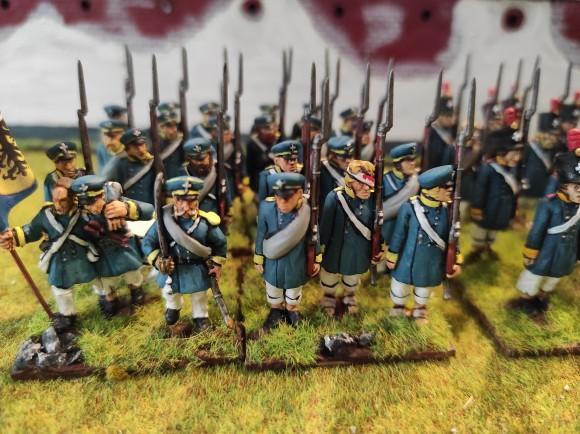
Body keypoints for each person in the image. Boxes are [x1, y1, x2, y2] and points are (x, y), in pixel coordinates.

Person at [0, 177, 98, 331]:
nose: (58, 205)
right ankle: (68, 316)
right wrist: (12, 236)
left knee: (100, 278)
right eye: (55, 200)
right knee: (60, 288)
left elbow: (97, 228)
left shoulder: (84, 213)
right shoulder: (46, 215)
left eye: (63, 200)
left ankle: (108, 298)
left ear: (72, 198)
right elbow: (31, 230)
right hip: (60, 260)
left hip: (83, 256)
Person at [142, 176, 228, 330]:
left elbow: (220, 243)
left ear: (197, 200)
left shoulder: (205, 222)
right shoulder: (163, 221)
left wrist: (216, 264)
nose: (186, 205)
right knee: (170, 292)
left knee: (199, 295)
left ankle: (201, 317)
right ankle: (173, 308)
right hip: (172, 268)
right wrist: (157, 260)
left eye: (191, 200)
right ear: (174, 199)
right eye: (181, 200)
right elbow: (148, 242)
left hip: (196, 268)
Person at [386, 165, 462, 323]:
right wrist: (392, 254)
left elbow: (453, 238)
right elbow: (399, 233)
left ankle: (420, 309)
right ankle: (398, 307)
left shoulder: (449, 211)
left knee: (424, 288)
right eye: (446, 188)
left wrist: (456, 259)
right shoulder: (409, 207)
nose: (450, 191)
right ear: (433, 190)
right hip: (408, 259)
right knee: (400, 287)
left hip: (431, 260)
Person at [71, 175, 154, 317]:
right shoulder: (80, 215)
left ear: (102, 195)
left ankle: (137, 292)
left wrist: (127, 208)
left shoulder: (115, 204)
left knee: (132, 274)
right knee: (106, 281)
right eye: (86, 204)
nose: (91, 207)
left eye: (93, 202)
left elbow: (149, 210)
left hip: (124, 249)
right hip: (101, 254)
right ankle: (110, 300)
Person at [513, 152, 580, 316]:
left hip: (566, 254)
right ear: (564, 186)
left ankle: (542, 298)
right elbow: (537, 231)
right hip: (545, 252)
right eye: (577, 187)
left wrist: (577, 255)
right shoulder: (548, 204)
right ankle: (526, 301)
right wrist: (530, 252)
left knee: (554, 278)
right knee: (532, 277)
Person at [254, 172, 321, 332]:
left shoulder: (306, 212)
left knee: (294, 287)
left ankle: (292, 309)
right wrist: (258, 257)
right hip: (273, 262)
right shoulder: (266, 209)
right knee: (272, 286)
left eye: (288, 197)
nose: (283, 202)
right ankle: (276, 310)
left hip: (296, 259)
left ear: (299, 193)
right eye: (279, 197)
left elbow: (314, 235)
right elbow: (261, 234)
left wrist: (316, 257)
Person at [319, 160, 377, 316]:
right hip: (335, 249)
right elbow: (325, 227)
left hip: (358, 249)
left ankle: (349, 295)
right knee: (329, 275)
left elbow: (376, 225)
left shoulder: (372, 199)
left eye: (369, 183)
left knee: (353, 276)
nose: (367, 188)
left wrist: (379, 246)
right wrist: (320, 249)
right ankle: (329, 296)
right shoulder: (335, 197)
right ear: (350, 182)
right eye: (361, 183)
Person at [469, 128, 524, 260]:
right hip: (487, 210)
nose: (517, 157)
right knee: (481, 232)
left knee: (493, 232)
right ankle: (476, 251)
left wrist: (512, 212)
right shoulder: (487, 169)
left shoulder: (511, 170)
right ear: (501, 153)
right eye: (514, 153)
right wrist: (477, 208)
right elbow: (480, 190)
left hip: (501, 211)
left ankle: (488, 247)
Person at [180, 138, 233, 216]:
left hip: (215, 215)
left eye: (202, 159)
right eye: (196, 160)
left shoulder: (218, 170)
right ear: (189, 159)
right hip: (193, 216)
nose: (200, 163)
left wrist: (228, 211)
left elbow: (225, 191)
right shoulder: (182, 173)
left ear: (209, 156)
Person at [101, 128, 156, 204]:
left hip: (151, 206)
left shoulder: (152, 161)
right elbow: (110, 187)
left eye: (142, 145)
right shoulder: (119, 164)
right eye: (135, 147)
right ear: (127, 149)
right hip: (129, 206)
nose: (140, 149)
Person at [381, 143, 420, 247]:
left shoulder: (416, 182)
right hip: (386, 235)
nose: (413, 163)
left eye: (413, 160)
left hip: (408, 237)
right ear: (398, 164)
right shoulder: (384, 181)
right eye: (408, 161)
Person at [521, 112, 560, 198]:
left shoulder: (556, 150)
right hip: (526, 192)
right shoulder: (529, 147)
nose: (554, 138)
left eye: (556, 135)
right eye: (550, 134)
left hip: (544, 193)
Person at [246, 114, 278, 191]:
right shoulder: (252, 144)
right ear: (258, 130)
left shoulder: (274, 142)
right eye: (266, 129)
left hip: (274, 181)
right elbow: (250, 167)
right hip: (259, 182)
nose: (270, 131)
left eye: (270, 128)